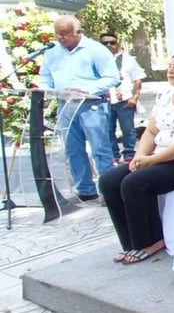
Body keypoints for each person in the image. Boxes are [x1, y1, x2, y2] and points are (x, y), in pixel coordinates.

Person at [99, 52, 174, 264]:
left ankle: (150, 241)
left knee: (135, 183)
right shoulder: (165, 96)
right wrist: (140, 156)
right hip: (161, 157)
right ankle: (130, 242)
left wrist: (153, 160)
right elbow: (152, 131)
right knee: (109, 181)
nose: (171, 70)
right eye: (170, 66)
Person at [36, 15, 119, 201]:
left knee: (100, 149)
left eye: (64, 33)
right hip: (65, 105)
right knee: (73, 149)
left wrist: (86, 90)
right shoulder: (52, 52)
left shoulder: (95, 50)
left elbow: (112, 77)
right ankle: (85, 190)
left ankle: (108, 191)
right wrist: (51, 89)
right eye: (57, 33)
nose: (60, 37)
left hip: (92, 105)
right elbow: (44, 78)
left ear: (78, 33)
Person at [99, 32, 146, 164]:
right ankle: (114, 154)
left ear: (117, 44)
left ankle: (129, 153)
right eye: (105, 43)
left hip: (124, 99)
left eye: (112, 42)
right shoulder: (97, 61)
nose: (109, 45)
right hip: (105, 99)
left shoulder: (127, 60)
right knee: (108, 129)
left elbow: (137, 80)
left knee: (128, 129)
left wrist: (134, 98)